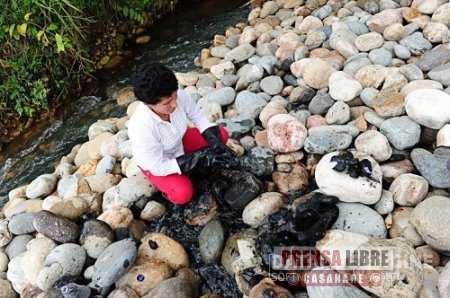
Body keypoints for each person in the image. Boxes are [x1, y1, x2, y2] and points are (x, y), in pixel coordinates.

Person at [128, 61, 236, 205]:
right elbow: (158, 166)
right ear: (149, 104)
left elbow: (201, 120)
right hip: (159, 161)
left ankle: (193, 166)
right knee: (183, 195)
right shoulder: (141, 127)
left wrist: (217, 148)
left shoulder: (179, 96)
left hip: (178, 141)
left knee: (221, 134)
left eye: (174, 97)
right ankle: (167, 190)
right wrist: (200, 158)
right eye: (167, 103)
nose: (174, 104)